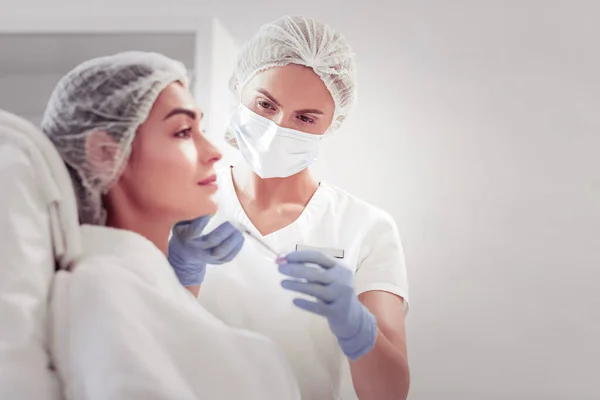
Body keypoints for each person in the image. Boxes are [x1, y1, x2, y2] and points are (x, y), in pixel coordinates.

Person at [168, 16, 410, 400]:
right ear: (239, 88)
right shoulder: (180, 208)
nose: (278, 127)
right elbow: (133, 343)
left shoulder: (366, 227)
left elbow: (389, 393)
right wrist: (178, 276)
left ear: (332, 124)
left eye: (305, 118)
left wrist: (355, 326)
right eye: (266, 104)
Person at [41, 51, 300, 400]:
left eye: (201, 129)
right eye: (182, 132)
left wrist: (182, 277)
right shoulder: (98, 286)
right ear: (104, 153)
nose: (214, 151)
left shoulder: (136, 281)